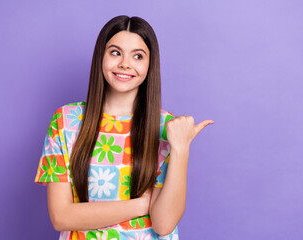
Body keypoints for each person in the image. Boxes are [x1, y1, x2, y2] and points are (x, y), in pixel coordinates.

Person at [34, 15, 214, 240]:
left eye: (138, 56)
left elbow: (164, 223)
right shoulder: (65, 121)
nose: (125, 64)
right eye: (115, 52)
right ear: (101, 56)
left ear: (150, 64)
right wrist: (143, 204)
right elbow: (61, 217)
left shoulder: (167, 127)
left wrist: (181, 149)